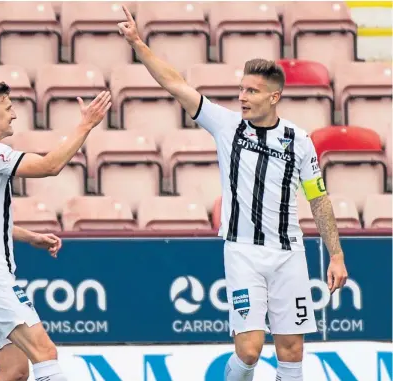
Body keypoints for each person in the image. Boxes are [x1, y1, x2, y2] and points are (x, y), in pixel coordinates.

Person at [117, 6, 348, 381]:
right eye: (241, 88)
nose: (242, 96)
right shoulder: (227, 126)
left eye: (252, 91)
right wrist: (139, 45)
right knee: (250, 350)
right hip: (242, 251)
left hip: (290, 253)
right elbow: (175, 84)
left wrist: (335, 255)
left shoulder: (299, 141)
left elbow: (318, 198)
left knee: (292, 350)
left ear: (274, 98)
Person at [0, 82, 111, 381]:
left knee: (13, 372)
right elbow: (49, 166)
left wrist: (31, 237)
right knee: (45, 353)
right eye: (8, 108)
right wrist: (86, 125)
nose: (13, 115)